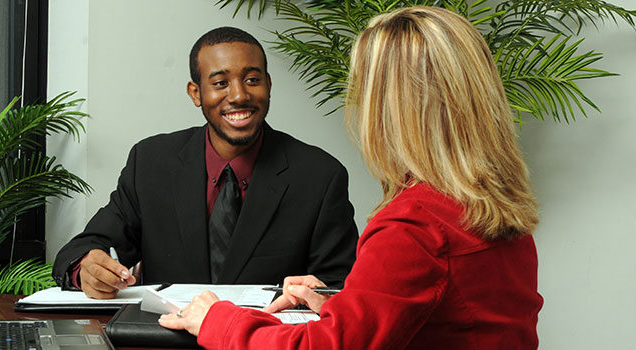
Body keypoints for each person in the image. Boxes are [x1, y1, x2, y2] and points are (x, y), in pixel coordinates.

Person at [159, 7, 544, 349]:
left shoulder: (414, 225)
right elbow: (444, 317)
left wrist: (218, 320)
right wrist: (341, 302)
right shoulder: (492, 207)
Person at [52, 27, 359, 299]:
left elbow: (340, 287)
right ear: (196, 93)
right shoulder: (150, 163)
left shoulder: (319, 176)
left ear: (268, 84)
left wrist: (317, 295)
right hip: (163, 340)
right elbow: (84, 248)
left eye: (252, 80)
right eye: (221, 83)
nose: (239, 95)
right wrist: (88, 268)